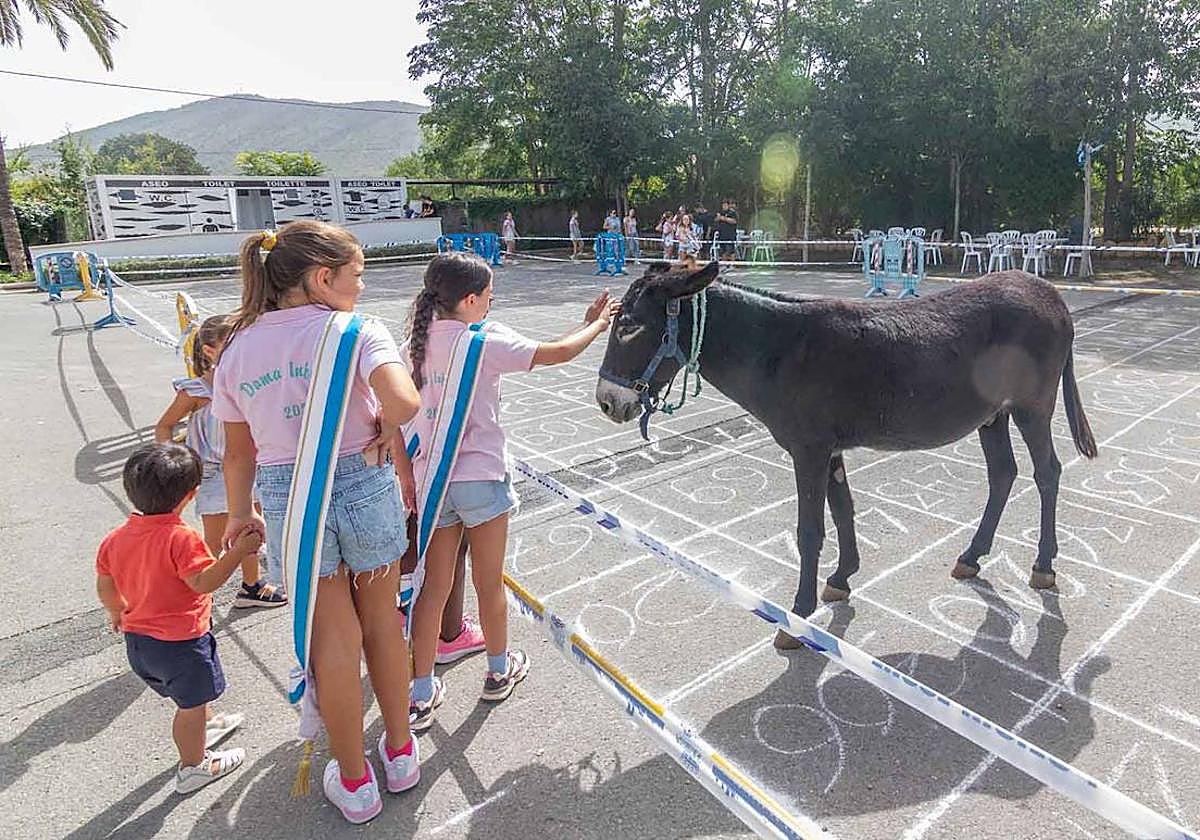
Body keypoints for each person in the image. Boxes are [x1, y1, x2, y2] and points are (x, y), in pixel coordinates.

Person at [212, 221, 422, 823]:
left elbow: (238, 451)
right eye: (356, 276)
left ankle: (354, 781)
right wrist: (384, 427)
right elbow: (405, 402)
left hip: (288, 497)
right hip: (363, 479)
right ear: (322, 277)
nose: (360, 287)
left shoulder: (235, 346)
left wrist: (239, 511)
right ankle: (401, 753)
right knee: (383, 622)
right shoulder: (356, 330)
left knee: (334, 638)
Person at [402, 252, 619, 731]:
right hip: (481, 477)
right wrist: (598, 325)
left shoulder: (413, 347)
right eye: (490, 298)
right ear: (471, 299)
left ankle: (419, 693)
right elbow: (555, 353)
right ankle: (499, 670)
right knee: (488, 581)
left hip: (433, 481)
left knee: (432, 589)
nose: (491, 306)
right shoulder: (483, 340)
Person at [96, 442, 264, 795]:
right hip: (181, 645)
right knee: (189, 705)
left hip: (139, 642)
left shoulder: (115, 538)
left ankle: (207, 723)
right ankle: (193, 766)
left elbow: (106, 583)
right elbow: (203, 583)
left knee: (188, 699)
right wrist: (237, 553)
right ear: (191, 495)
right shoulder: (181, 538)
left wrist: (116, 611)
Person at [154, 314, 285, 608]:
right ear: (209, 350)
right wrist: (175, 467)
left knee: (251, 532)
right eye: (230, 343)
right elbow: (164, 425)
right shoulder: (196, 391)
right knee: (213, 541)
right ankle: (201, 597)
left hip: (251, 468)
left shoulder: (250, 383)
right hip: (213, 474)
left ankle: (251, 587)